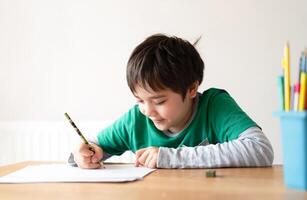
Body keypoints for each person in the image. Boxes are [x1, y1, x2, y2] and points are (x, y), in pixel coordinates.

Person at [69, 34, 274, 169]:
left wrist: (171, 158)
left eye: (159, 101)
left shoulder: (215, 106)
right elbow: (94, 148)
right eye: (140, 100)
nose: (147, 110)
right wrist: (85, 155)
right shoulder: (136, 119)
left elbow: (261, 149)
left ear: (192, 88)